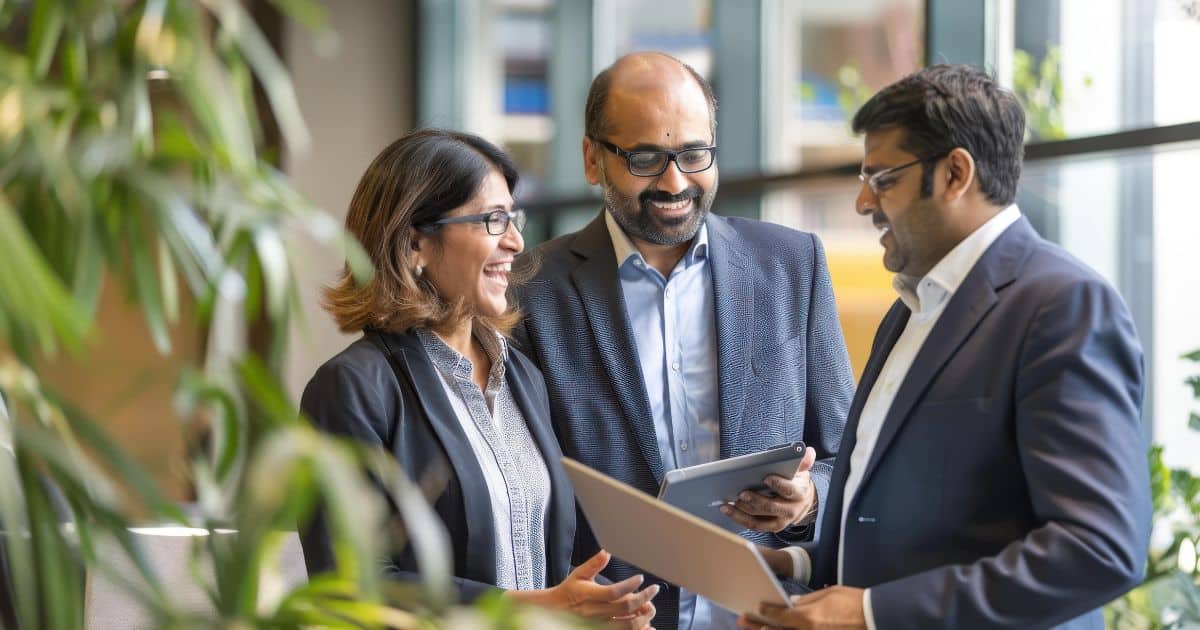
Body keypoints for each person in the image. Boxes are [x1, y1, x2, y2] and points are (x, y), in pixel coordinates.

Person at [742, 64, 1151, 630]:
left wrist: (869, 612)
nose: (863, 201)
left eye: (883, 178)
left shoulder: (1062, 305)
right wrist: (792, 563)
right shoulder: (909, 308)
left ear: (956, 173)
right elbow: (912, 534)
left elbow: (1097, 550)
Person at [512, 52, 855, 629]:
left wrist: (810, 498)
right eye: (645, 158)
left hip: (765, 616)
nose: (674, 182)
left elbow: (847, 457)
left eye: (694, 155)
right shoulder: (531, 290)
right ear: (593, 160)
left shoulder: (792, 266)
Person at [298, 129, 657, 628]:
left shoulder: (524, 378)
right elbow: (349, 587)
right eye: (493, 220)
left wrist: (592, 616)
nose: (516, 241)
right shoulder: (350, 389)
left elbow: (548, 572)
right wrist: (536, 609)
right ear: (414, 242)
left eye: (514, 218)